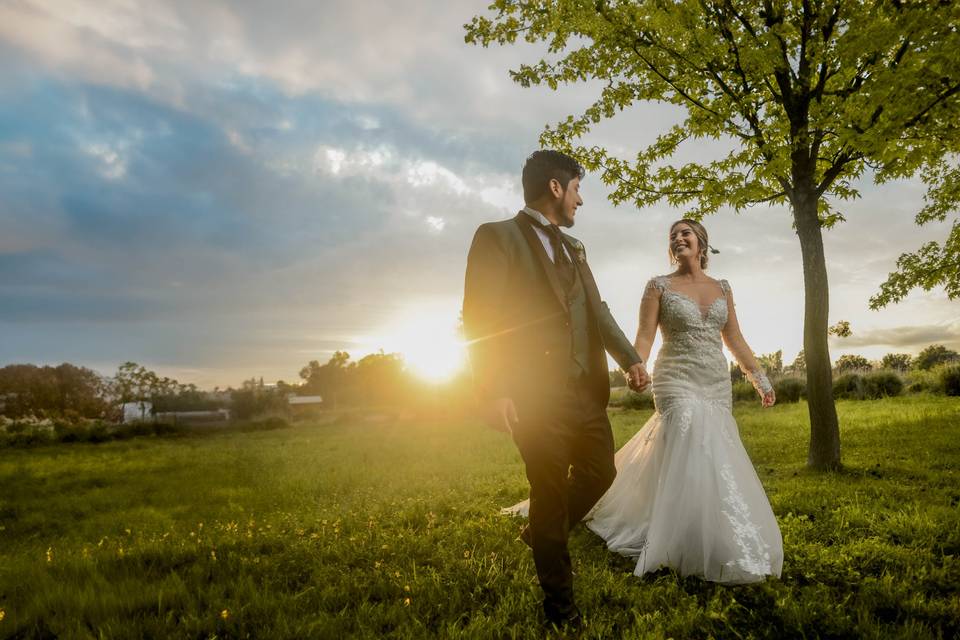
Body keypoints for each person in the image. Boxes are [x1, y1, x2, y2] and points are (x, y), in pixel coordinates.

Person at [509, 219, 783, 584]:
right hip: (675, 379)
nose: (678, 237)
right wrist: (634, 366)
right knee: (688, 429)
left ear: (702, 243)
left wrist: (759, 377)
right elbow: (643, 337)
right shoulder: (658, 286)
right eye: (673, 235)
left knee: (714, 448)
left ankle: (711, 526)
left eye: (686, 233)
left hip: (714, 381)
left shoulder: (723, 288)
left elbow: (734, 338)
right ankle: (675, 537)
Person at [462, 150, 651, 628]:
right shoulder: (497, 236)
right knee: (547, 489)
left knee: (601, 472)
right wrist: (491, 388)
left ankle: (543, 531)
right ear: (555, 188)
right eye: (577, 189)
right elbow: (479, 318)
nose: (580, 201)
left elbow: (598, 311)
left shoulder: (577, 249)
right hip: (533, 396)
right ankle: (561, 612)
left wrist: (630, 359)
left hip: (584, 394)